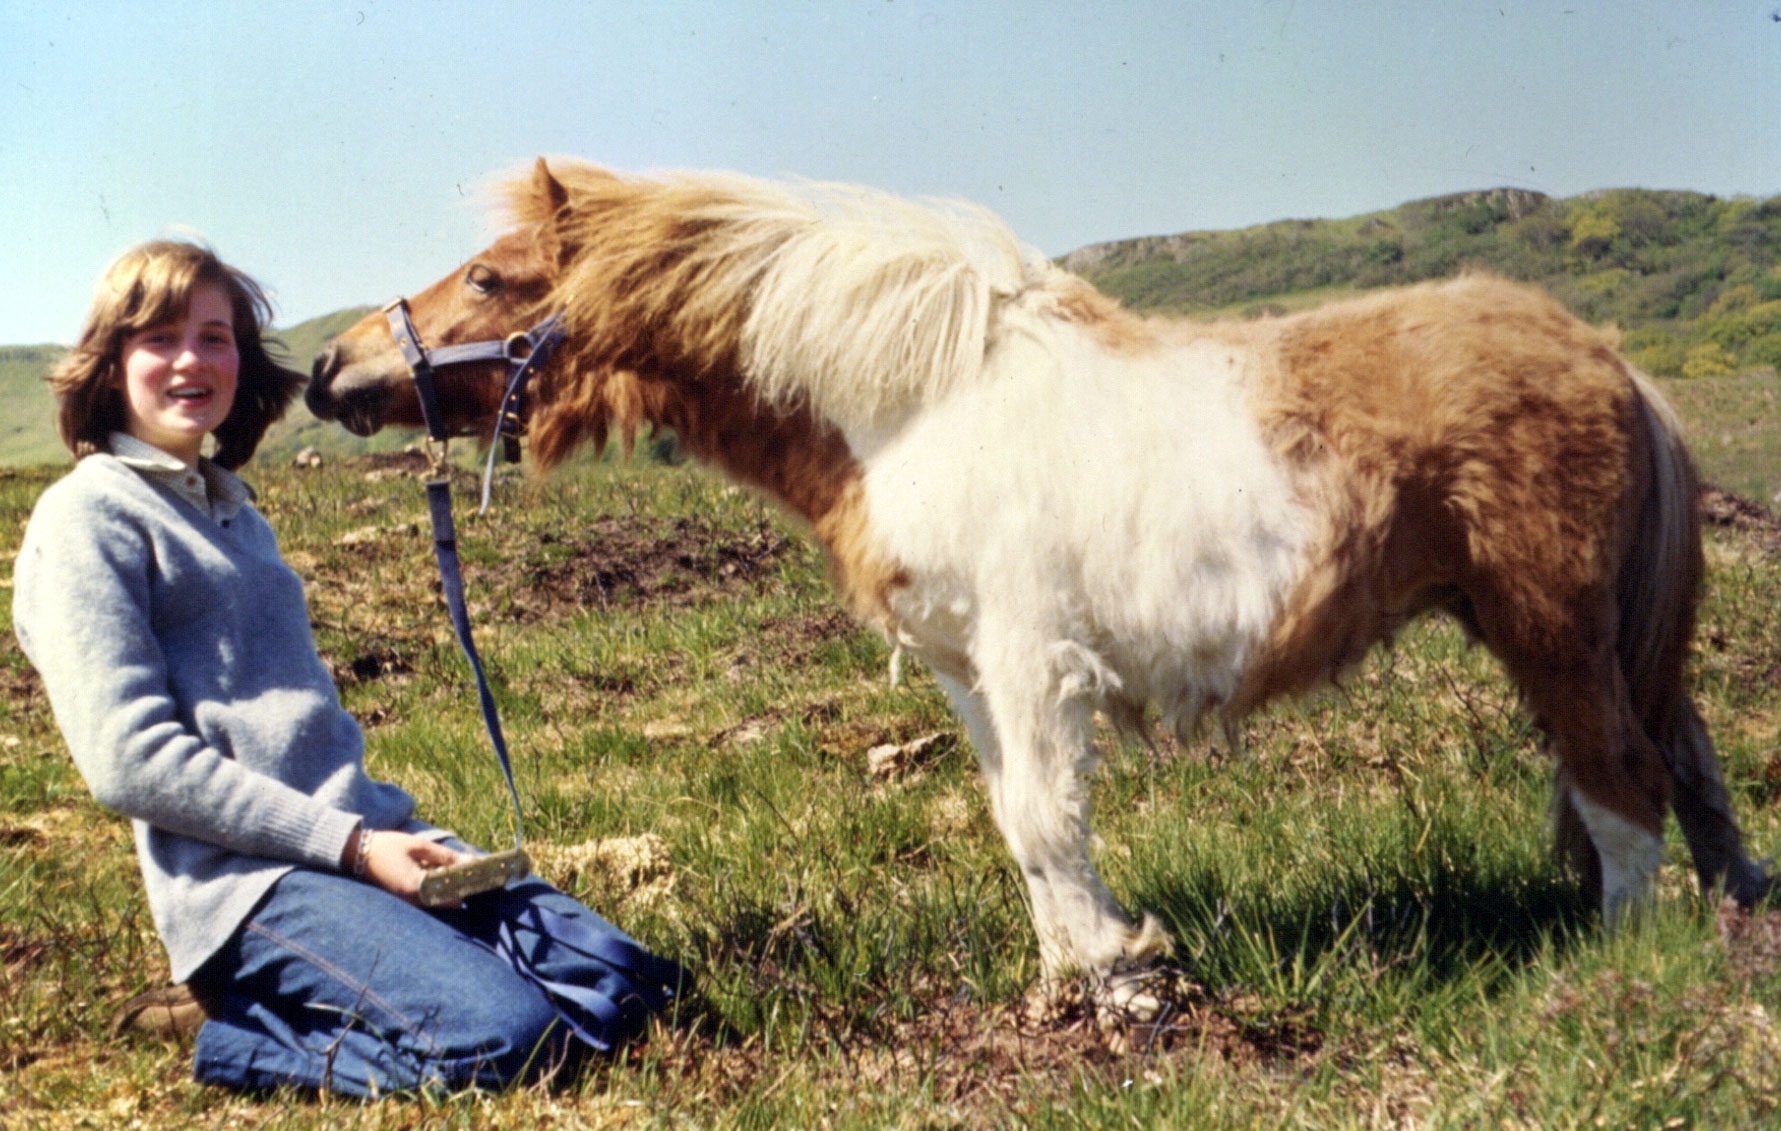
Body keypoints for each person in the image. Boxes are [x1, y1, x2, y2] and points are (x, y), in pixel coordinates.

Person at [12, 240, 682, 1096]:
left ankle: (356, 980)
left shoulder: (235, 513)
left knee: (630, 986)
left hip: (366, 844)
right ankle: (238, 1039)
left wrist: (373, 839)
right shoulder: (85, 517)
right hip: (251, 889)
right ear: (110, 362)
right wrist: (356, 848)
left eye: (215, 338)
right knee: (511, 1041)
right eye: (159, 338)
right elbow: (128, 762)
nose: (192, 360)